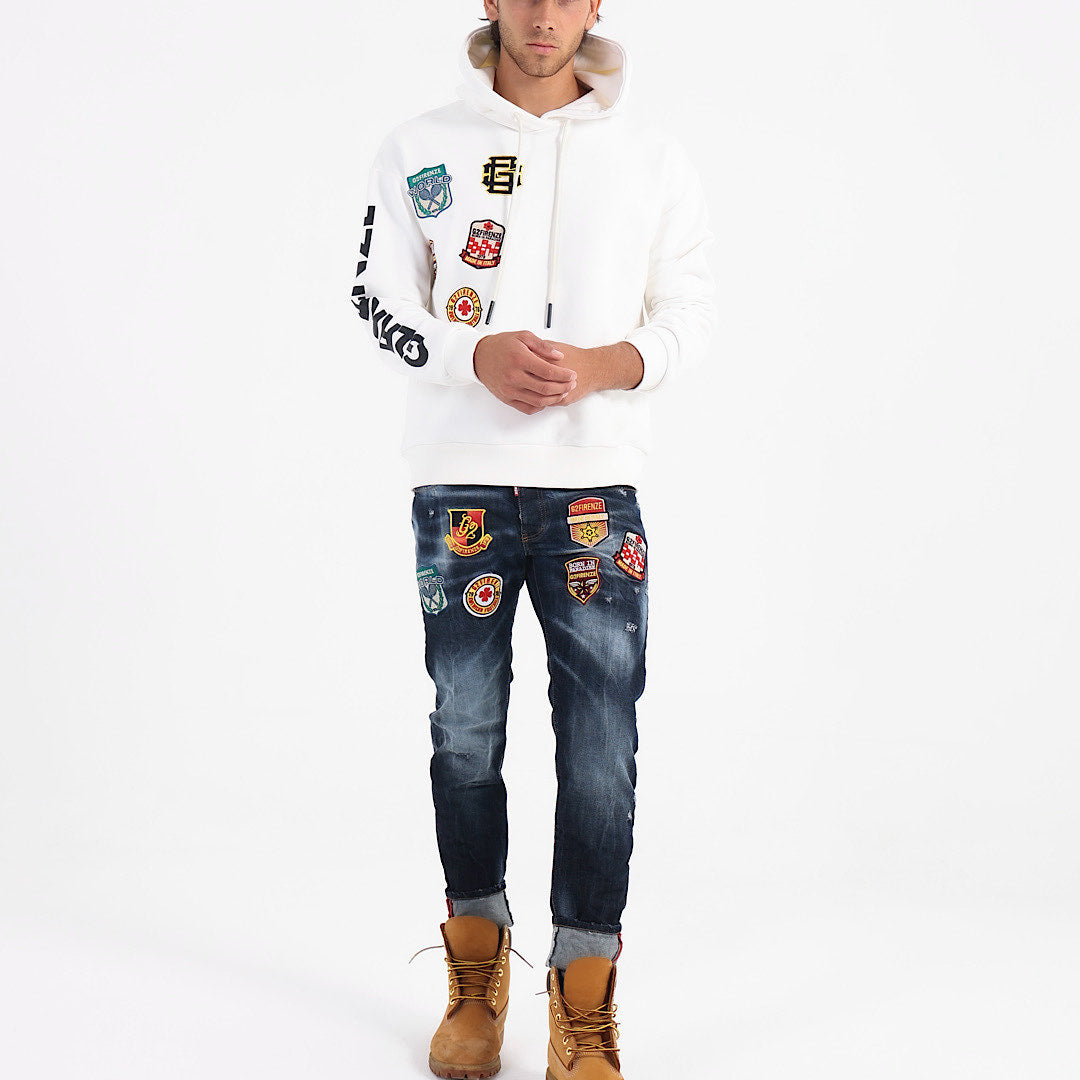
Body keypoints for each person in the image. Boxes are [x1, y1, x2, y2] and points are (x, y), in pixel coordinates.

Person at [350, 2, 715, 1076]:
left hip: (594, 485)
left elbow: (691, 311)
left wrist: (601, 366)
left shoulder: (654, 157)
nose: (547, 14)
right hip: (458, 481)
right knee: (464, 730)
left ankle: (584, 1000)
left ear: (597, 4)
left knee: (601, 747)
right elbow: (376, 296)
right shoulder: (419, 147)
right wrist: (472, 355)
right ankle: (475, 981)